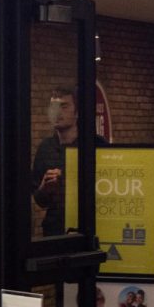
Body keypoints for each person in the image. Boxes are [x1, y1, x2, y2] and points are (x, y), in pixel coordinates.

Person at [32, 87, 105, 236]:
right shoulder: (45, 148)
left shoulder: (96, 145)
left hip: (89, 228)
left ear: (77, 112)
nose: (57, 113)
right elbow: (40, 201)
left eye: (64, 107)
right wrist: (45, 188)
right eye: (54, 107)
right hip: (55, 231)